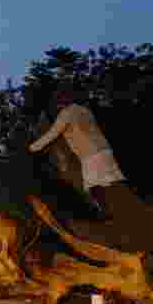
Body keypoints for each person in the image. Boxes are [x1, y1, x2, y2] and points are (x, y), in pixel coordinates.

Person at [29, 85, 126, 220]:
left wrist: (32, 147)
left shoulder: (66, 113)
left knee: (92, 186)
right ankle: (109, 209)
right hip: (103, 148)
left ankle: (105, 212)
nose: (57, 104)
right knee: (102, 182)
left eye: (59, 101)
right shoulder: (84, 110)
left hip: (90, 154)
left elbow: (53, 134)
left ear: (62, 101)